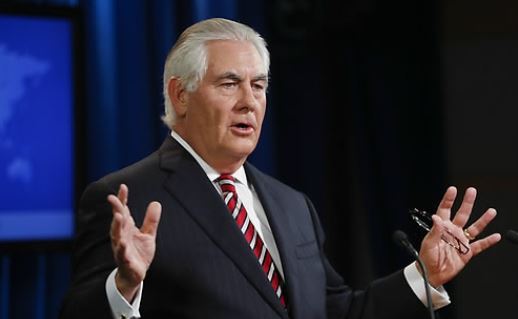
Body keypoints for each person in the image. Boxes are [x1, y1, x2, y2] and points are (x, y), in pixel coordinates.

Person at [59, 18, 501, 319]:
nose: (249, 101)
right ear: (180, 95)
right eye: (229, 83)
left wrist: (424, 275)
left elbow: (334, 311)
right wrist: (124, 286)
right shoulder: (126, 197)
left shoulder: (292, 205)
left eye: (258, 85)